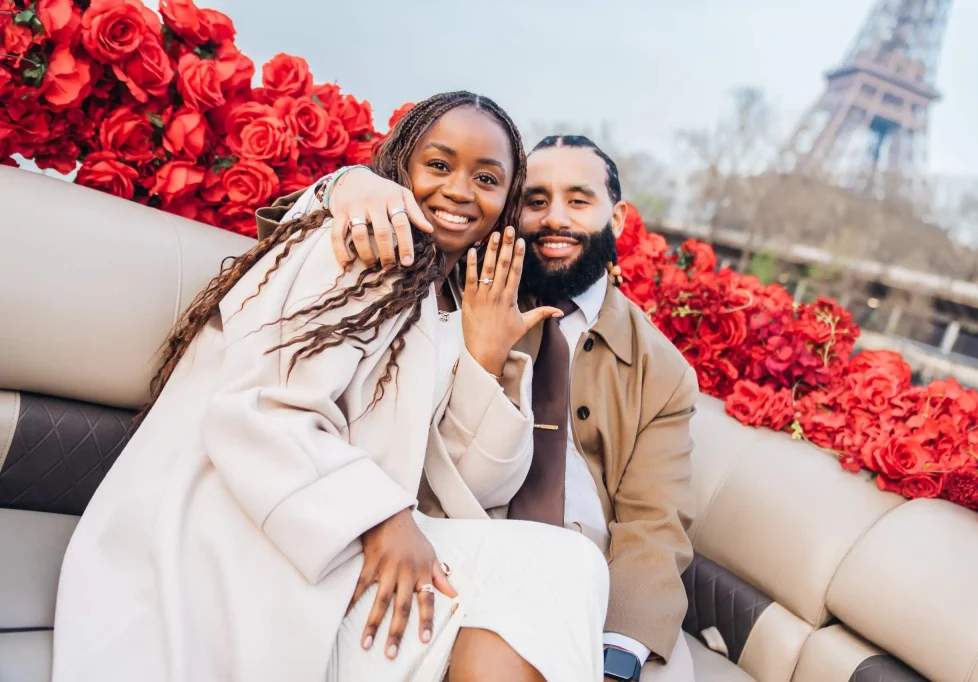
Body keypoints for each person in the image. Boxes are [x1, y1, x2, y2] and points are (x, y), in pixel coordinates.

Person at [52, 92, 610, 682]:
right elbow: (259, 409)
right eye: (439, 165)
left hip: (329, 522)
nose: (460, 191)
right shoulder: (361, 241)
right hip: (238, 526)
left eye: (488, 178)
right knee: (550, 574)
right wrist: (382, 518)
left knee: (562, 566)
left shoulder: (437, 296)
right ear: (399, 167)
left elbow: (468, 485)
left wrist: (484, 357)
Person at [259, 135, 699, 682]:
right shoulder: (453, 282)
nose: (554, 219)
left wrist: (620, 646)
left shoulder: (662, 367)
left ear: (620, 217)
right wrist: (352, 183)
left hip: (602, 585)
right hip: (458, 539)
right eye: (535, 201)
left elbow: (655, 522)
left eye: (578, 200)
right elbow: (289, 235)